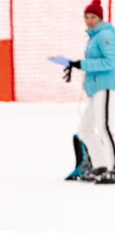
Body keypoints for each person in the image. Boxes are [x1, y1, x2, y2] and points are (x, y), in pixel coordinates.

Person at [64, 0, 115, 183]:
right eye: (86, 17)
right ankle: (101, 165)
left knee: (105, 127)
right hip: (97, 89)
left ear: (100, 17)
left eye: (93, 17)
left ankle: (114, 168)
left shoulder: (105, 35)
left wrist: (82, 64)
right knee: (85, 129)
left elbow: (111, 62)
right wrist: (76, 65)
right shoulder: (94, 37)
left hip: (107, 86)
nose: (89, 20)